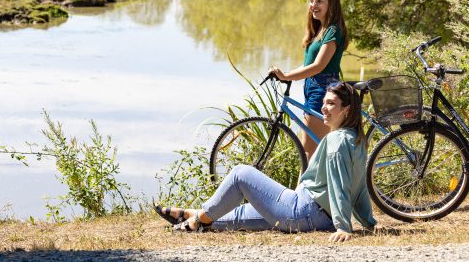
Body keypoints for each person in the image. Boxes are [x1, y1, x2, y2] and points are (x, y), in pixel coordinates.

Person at [154, 82, 376, 242]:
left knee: (241, 174)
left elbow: (340, 185)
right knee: (241, 216)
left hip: (303, 211)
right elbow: (358, 186)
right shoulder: (357, 139)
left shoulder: (336, 141)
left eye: (331, 104)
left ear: (346, 110)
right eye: (324, 102)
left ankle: (200, 218)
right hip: (316, 218)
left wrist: (343, 227)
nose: (323, 108)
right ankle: (194, 216)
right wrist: (369, 222)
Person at [269, 0, 348, 160]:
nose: (313, 5)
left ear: (331, 5)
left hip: (322, 91)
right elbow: (308, 66)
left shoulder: (333, 31)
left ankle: (300, 189)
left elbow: (318, 66)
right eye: (312, 1)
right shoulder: (321, 30)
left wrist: (287, 76)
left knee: (308, 154)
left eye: (320, 1)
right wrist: (285, 74)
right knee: (316, 154)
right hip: (313, 88)